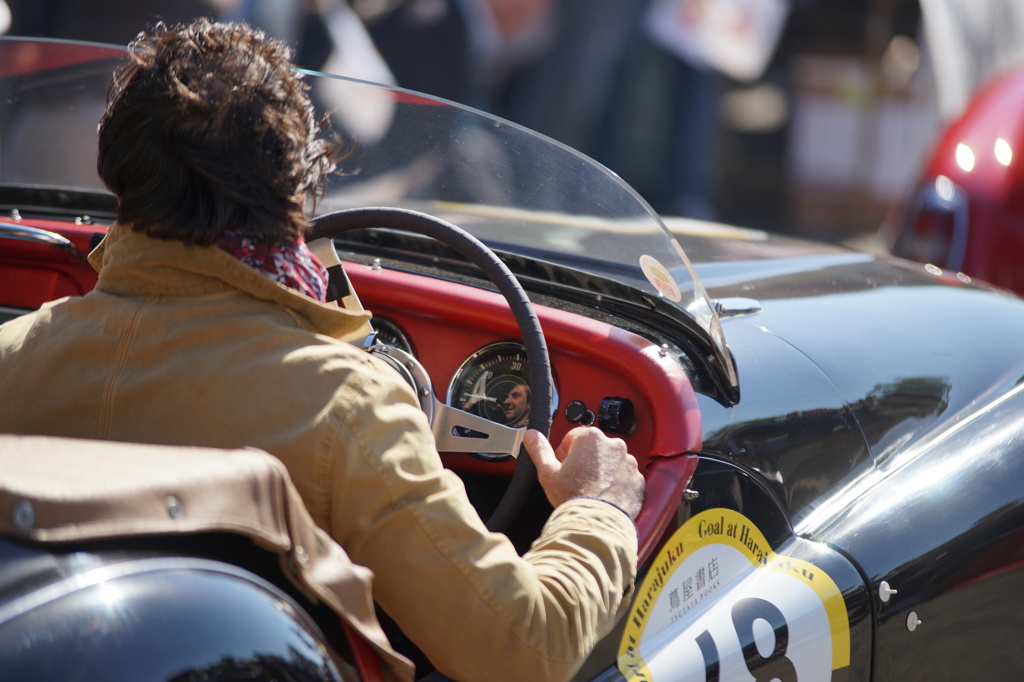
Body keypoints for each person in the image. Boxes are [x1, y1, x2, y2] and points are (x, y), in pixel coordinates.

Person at [0, 19, 645, 682]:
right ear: (296, 194)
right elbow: (523, 649)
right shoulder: (347, 407)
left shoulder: (12, 357)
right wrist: (595, 510)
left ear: (117, 171)